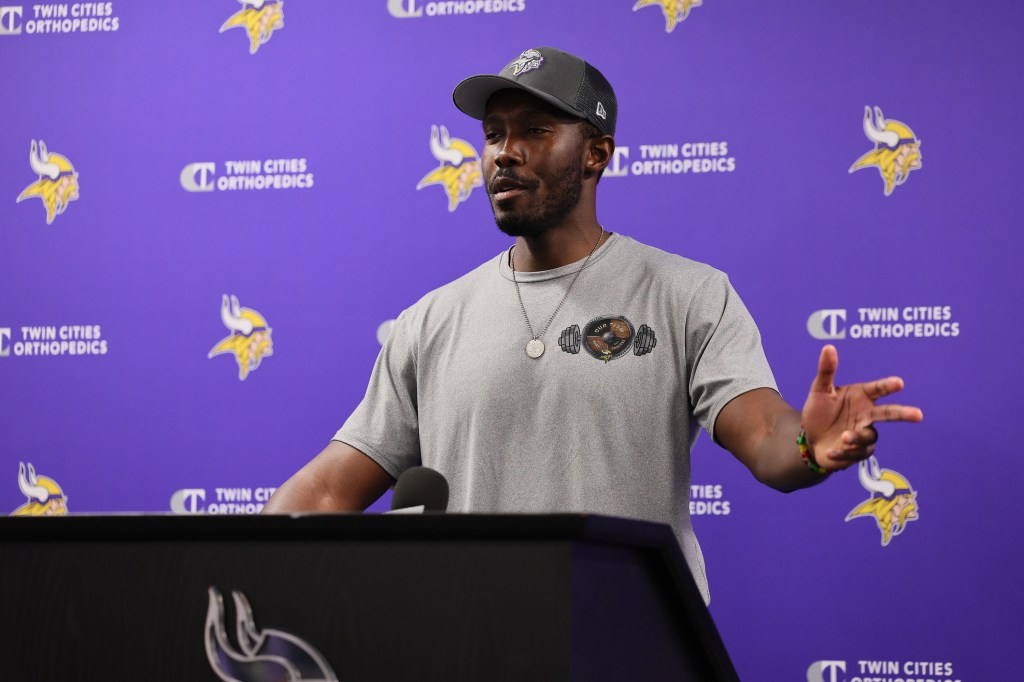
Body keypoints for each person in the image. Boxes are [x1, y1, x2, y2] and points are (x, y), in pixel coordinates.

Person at [264, 47, 922, 602]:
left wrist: (810, 445)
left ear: (596, 153)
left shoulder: (689, 294)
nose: (505, 154)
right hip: (467, 648)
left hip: (628, 648)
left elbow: (767, 437)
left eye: (535, 130)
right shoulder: (429, 321)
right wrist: (234, 562)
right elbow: (326, 493)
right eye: (493, 134)